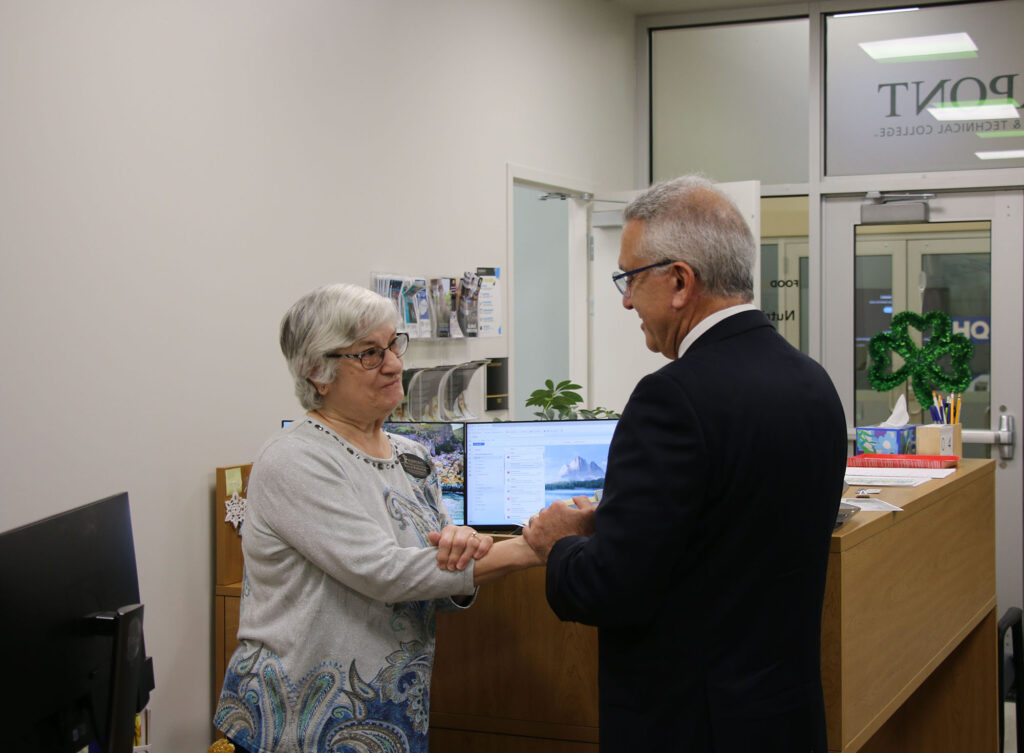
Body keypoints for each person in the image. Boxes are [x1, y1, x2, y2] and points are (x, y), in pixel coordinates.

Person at [522, 175, 848, 752]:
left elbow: (611, 589)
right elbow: (731, 533)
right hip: (782, 719)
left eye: (629, 278)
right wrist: (621, 522)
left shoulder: (671, 399)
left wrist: (562, 542)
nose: (625, 301)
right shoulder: (811, 381)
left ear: (679, 281)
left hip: (692, 725)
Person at [214, 283, 540, 753]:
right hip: (297, 728)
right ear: (317, 372)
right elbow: (385, 574)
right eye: (369, 353)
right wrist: (529, 548)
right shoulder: (295, 459)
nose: (393, 364)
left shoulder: (413, 458)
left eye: (392, 345)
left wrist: (463, 548)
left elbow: (432, 585)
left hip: (391, 720)